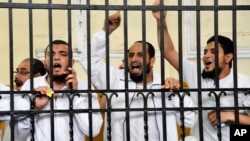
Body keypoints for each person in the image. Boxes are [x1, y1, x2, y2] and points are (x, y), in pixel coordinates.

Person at [79, 11, 196, 141]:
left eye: (140, 55)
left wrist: (177, 93)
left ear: (152, 61)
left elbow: (189, 121)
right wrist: (105, 32)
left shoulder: (166, 86)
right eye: (130, 55)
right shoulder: (115, 78)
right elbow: (87, 60)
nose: (134, 59)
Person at [152, 0, 250, 141]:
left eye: (213, 52)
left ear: (228, 57)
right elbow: (168, 51)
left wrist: (230, 115)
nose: (206, 56)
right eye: (205, 52)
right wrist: (161, 21)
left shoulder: (244, 83)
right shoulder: (196, 75)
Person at [14, 40, 103, 141]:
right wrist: (34, 108)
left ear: (72, 62)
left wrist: (75, 94)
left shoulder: (85, 87)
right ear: (45, 63)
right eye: (51, 54)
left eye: (63, 54)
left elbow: (93, 131)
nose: (56, 58)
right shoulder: (30, 86)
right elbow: (18, 136)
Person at [2, 58, 46, 141]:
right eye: (17, 71)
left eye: (23, 72)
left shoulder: (44, 102)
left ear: (36, 77)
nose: (16, 76)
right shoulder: (12, 98)